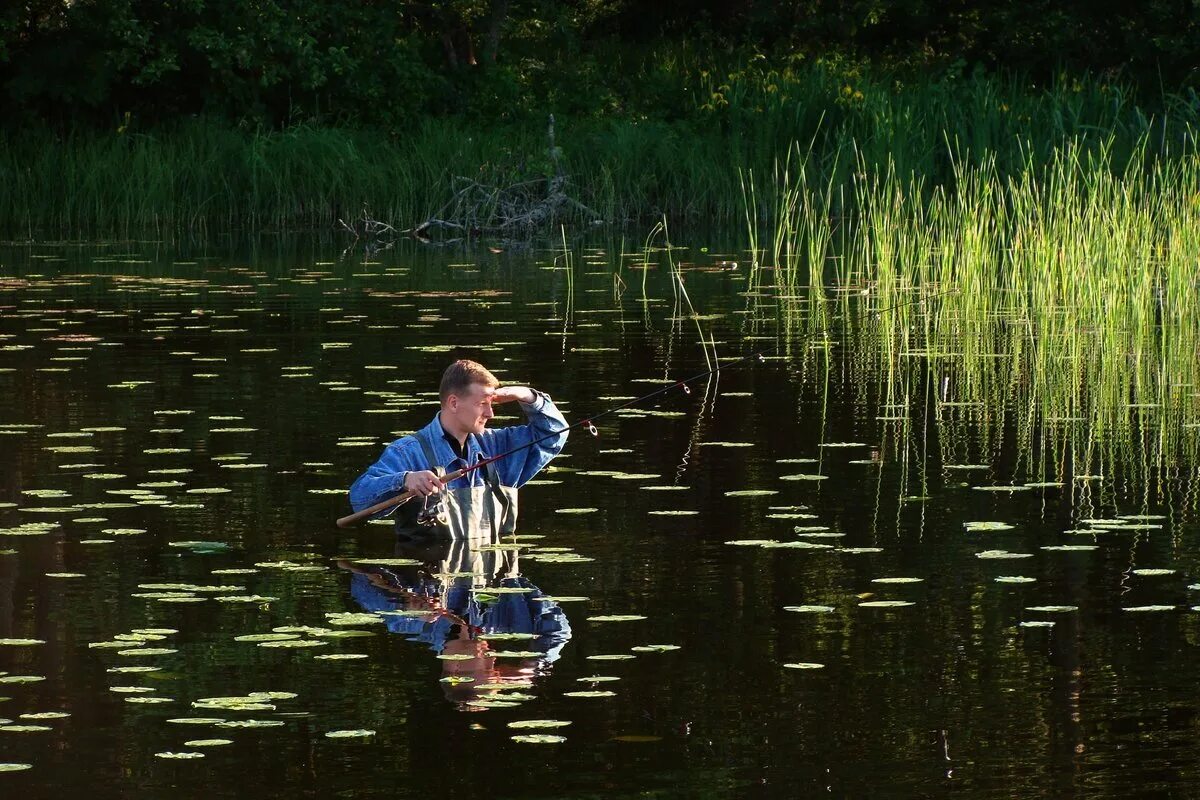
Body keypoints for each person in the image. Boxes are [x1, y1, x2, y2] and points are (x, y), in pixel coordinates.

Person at [347, 359, 568, 536]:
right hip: (426, 585)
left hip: (492, 583)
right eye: (483, 403)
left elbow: (554, 435)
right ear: (453, 403)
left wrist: (527, 396)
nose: (490, 413)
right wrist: (404, 480)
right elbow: (358, 499)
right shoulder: (407, 451)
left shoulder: (497, 443)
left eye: (492, 404)